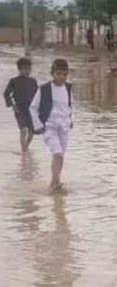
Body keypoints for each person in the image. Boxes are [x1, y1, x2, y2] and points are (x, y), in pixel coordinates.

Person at [29, 59, 73, 192]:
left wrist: (71, 120)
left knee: (61, 155)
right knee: (57, 153)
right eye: (58, 74)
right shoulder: (44, 89)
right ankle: (54, 183)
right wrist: (38, 125)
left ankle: (57, 181)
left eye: (64, 74)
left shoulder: (68, 88)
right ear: (52, 73)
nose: (61, 77)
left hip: (64, 127)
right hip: (49, 127)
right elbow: (33, 107)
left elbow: (70, 105)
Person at [4, 57, 38, 151]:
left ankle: (26, 147)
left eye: (29, 69)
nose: (27, 71)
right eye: (25, 69)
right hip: (19, 109)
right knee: (23, 129)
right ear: (19, 69)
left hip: (31, 110)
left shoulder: (33, 81)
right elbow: (6, 94)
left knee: (31, 132)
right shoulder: (14, 81)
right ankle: (24, 151)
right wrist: (13, 106)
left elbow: (37, 96)